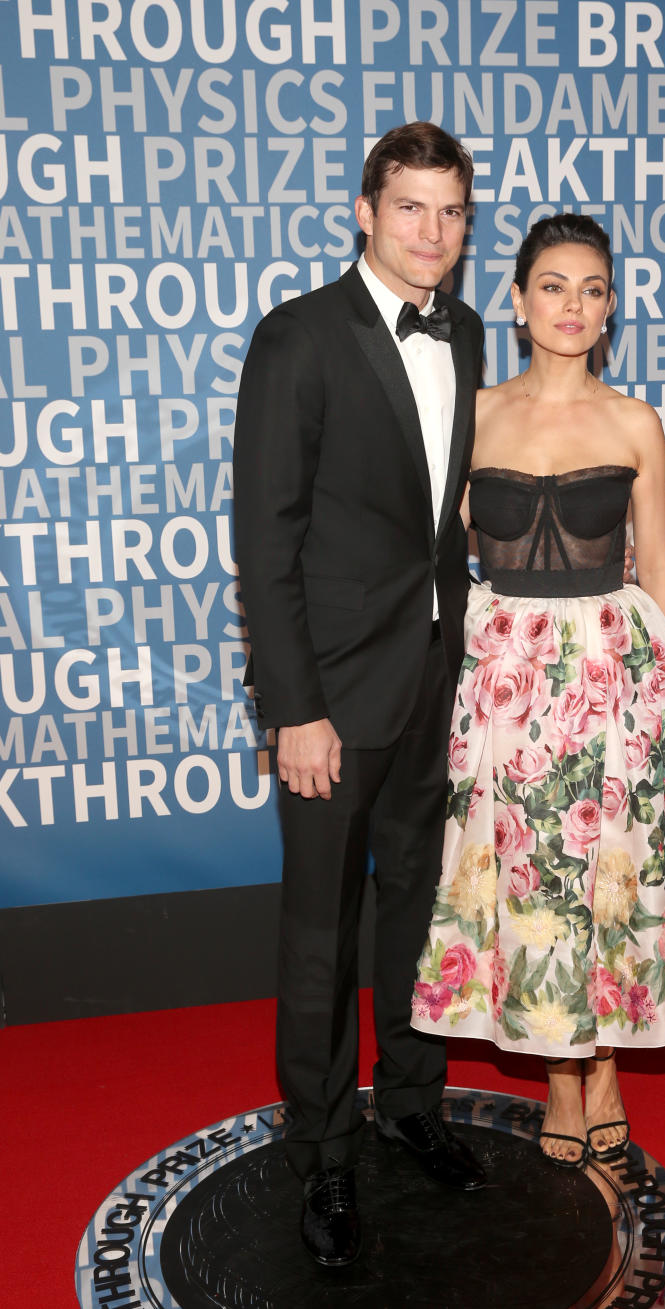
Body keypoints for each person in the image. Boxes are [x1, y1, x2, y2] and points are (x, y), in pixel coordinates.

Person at [411, 213, 665, 1167]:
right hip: (506, 673)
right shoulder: (472, 412)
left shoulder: (635, 421)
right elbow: (440, 547)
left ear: (610, 308)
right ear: (516, 302)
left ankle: (599, 1063)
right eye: (552, 285)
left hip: (612, 667)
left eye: (592, 288)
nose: (573, 305)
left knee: (608, 875)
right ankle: (562, 1073)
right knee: (528, 875)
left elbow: (660, 561)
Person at [233, 122, 487, 1268]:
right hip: (332, 698)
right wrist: (294, 707)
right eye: (410, 209)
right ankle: (324, 1154)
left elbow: (439, 521)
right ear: (363, 210)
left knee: (418, 911)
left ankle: (413, 1101)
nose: (431, 233)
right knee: (319, 935)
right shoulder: (298, 339)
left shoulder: (471, 333)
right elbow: (266, 537)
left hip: (436, 680)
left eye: (451, 213)